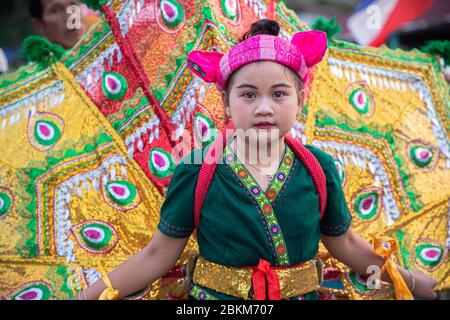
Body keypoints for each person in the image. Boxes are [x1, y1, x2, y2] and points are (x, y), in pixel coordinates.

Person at [73, 19, 438, 300]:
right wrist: (91, 294)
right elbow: (157, 256)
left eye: (279, 94)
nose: (264, 108)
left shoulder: (318, 168)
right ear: (227, 103)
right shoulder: (197, 170)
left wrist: (412, 282)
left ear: (299, 99)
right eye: (248, 95)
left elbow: (345, 245)